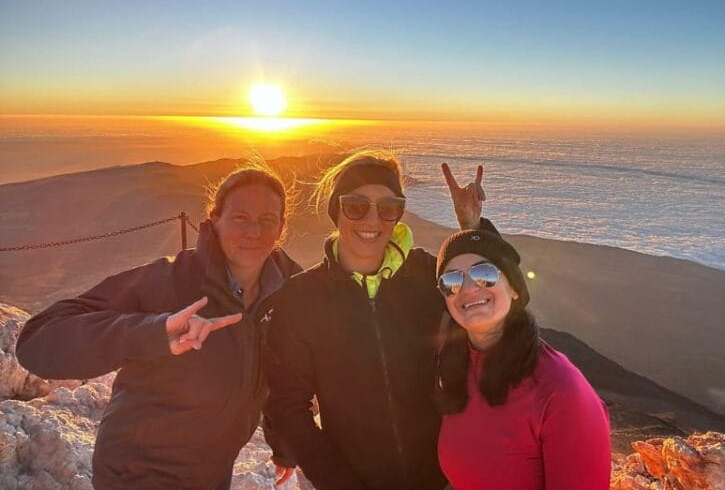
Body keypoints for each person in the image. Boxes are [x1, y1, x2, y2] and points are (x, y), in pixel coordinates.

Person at [16, 166, 302, 489]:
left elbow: (280, 371)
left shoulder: (288, 293)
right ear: (214, 219)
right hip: (136, 474)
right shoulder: (169, 281)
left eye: (266, 220)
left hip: (210, 474)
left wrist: (284, 446)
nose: (254, 231)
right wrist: (154, 332)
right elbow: (38, 340)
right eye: (241, 218)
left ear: (281, 227)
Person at [265, 150, 497, 490]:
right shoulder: (301, 298)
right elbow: (288, 405)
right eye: (356, 205)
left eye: (388, 208)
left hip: (438, 477)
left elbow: (495, 304)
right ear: (336, 211)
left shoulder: (426, 276)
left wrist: (472, 229)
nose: (372, 220)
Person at [434, 229, 611, 490]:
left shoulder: (560, 389)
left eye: (485, 274)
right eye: (452, 281)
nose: (469, 289)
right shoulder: (454, 372)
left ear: (515, 288)